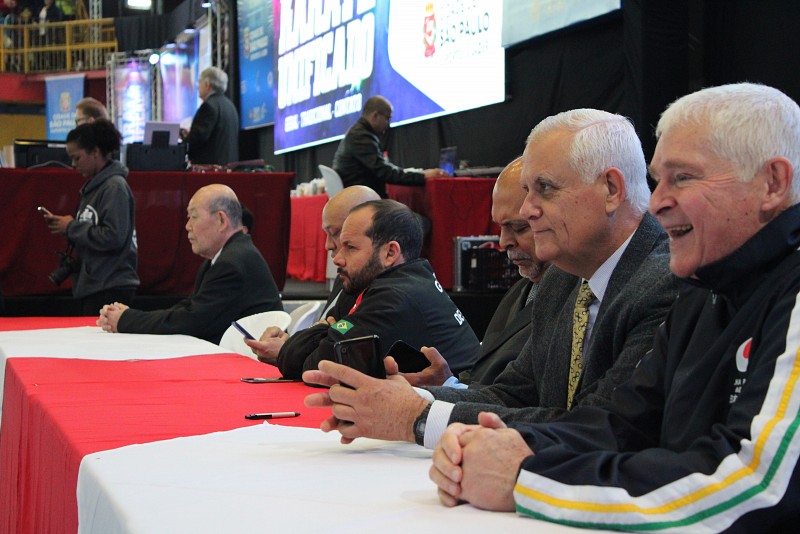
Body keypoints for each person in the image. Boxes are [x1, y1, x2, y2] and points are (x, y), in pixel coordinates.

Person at [430, 83, 800, 532]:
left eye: (683, 178)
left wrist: (528, 480)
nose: (657, 202)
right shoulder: (704, 290)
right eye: (659, 179)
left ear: (772, 183)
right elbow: (620, 423)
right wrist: (499, 446)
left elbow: (759, 487)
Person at [302, 108, 680, 448]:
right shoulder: (562, 279)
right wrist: (403, 399)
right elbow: (512, 395)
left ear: (611, 189)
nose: (528, 209)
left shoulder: (665, 283)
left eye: (544, 189)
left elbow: (602, 427)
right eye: (528, 191)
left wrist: (417, 417)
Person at [268, 199, 481, 380]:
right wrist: (327, 330)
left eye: (351, 248)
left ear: (390, 253)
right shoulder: (405, 280)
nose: (337, 258)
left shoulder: (394, 298)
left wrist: (325, 327)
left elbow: (314, 368)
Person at [400, 156, 550, 388]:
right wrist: (449, 385)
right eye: (500, 227)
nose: (503, 242)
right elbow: (491, 380)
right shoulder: (523, 289)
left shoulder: (578, 299)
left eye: (519, 227)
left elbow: (522, 399)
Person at [96, 184, 282, 344]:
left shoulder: (232, 262)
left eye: (193, 216)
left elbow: (192, 321)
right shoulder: (229, 255)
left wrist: (127, 320)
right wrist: (131, 316)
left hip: (250, 361)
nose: (187, 226)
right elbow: (189, 309)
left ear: (221, 220)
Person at [246, 185, 380, 363]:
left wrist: (286, 351)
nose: (327, 245)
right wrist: (290, 344)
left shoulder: (379, 292)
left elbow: (334, 354)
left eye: (336, 234)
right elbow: (324, 332)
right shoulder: (349, 275)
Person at [42, 120, 139, 315]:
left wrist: (71, 227)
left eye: (77, 158)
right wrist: (69, 227)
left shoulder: (114, 188)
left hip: (110, 284)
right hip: (98, 283)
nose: (73, 164)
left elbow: (114, 237)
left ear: (95, 152)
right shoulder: (96, 187)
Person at [332, 95, 448, 198]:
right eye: (387, 119)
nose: (388, 125)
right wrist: (422, 176)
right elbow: (385, 172)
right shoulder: (361, 136)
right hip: (362, 200)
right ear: (375, 115)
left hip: (358, 196)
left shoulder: (357, 133)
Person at [180, 67, 239, 166]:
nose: (197, 86)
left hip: (210, 169)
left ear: (207, 84)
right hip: (228, 167)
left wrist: (184, 142)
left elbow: (198, 138)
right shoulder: (230, 106)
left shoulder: (209, 106)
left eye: (199, 82)